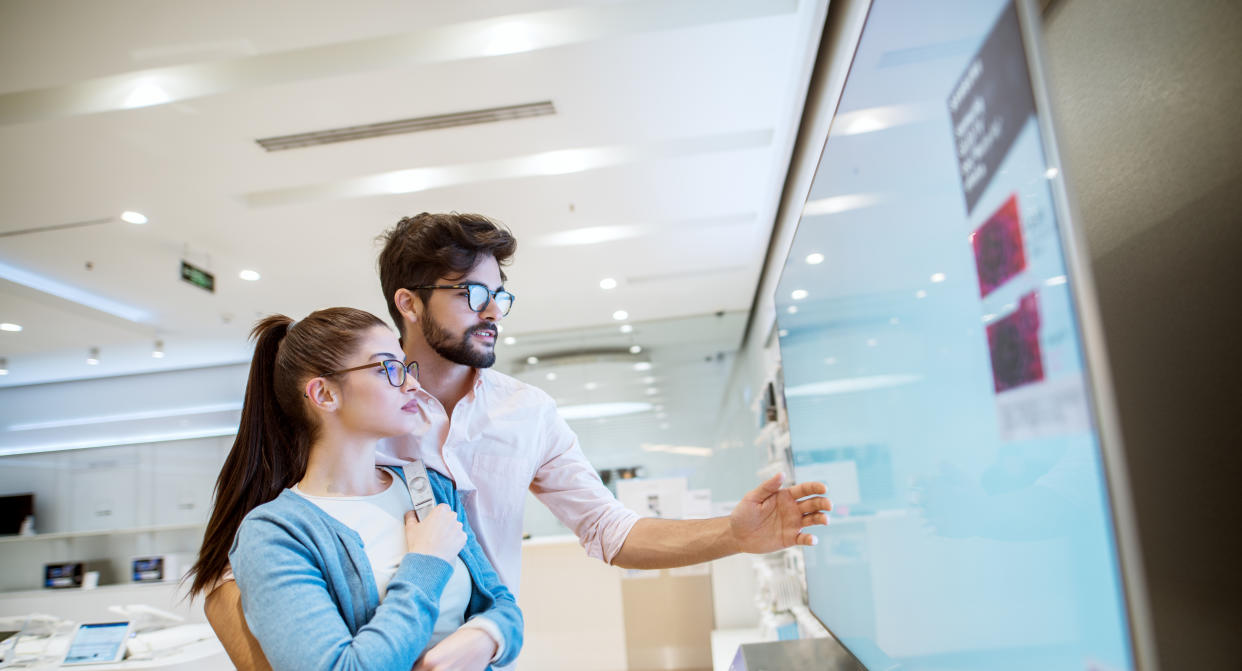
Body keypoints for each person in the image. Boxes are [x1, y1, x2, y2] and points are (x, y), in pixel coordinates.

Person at [205, 213, 832, 668]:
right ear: (409, 303)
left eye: (500, 294)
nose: (493, 310)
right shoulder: (346, 417)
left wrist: (733, 534)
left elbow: (608, 530)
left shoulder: (525, 413)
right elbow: (231, 583)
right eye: (472, 293)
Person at [190, 308, 522, 671]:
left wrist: (488, 637)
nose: (412, 384)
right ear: (324, 394)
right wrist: (428, 563)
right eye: (387, 369)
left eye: (405, 367)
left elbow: (502, 605)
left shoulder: (428, 488)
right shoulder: (274, 534)